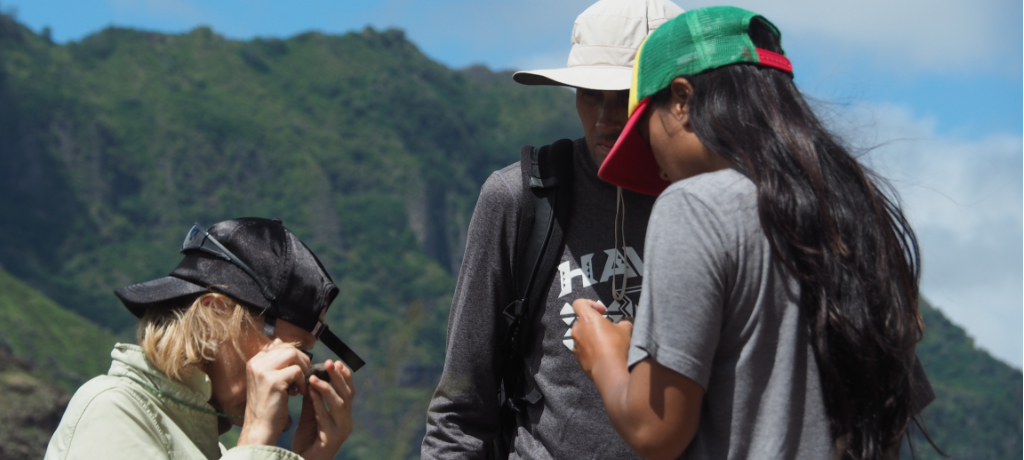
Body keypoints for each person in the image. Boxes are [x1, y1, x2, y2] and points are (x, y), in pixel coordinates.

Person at [570, 6, 934, 460]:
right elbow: (892, 408)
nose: (657, 165)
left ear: (681, 99)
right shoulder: (856, 209)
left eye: (646, 131)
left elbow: (654, 429)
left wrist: (604, 354)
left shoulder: (694, 206)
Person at [421, 1, 684, 459]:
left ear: (673, 96)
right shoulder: (523, 198)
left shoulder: (714, 207)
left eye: (623, 95)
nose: (604, 118)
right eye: (588, 93)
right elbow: (460, 410)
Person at [45, 218, 361, 460]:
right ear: (216, 315)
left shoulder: (215, 450)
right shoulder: (112, 410)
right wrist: (254, 438)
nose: (296, 383)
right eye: (292, 352)